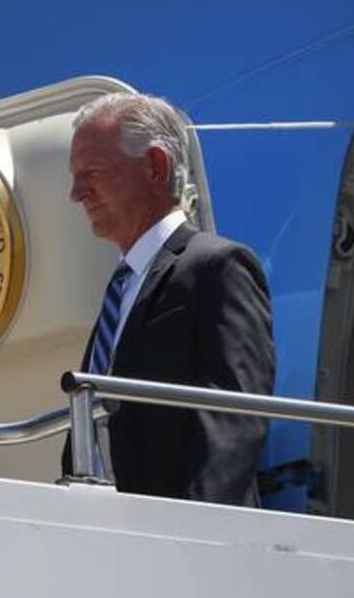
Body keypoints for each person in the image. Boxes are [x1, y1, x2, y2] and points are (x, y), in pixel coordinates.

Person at [61, 93, 274, 505]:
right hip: (107, 541)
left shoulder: (217, 267)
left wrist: (190, 532)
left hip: (184, 545)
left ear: (155, 167)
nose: (76, 193)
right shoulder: (120, 290)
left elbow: (235, 416)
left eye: (92, 172)